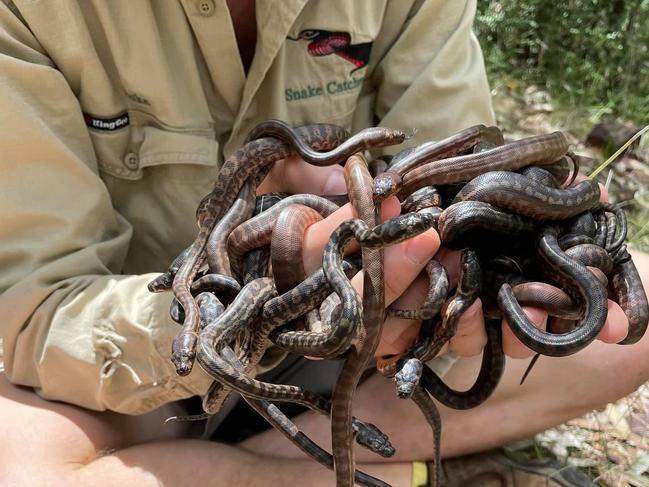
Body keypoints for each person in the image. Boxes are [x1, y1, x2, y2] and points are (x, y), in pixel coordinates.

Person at [0, 1, 647, 486]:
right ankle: (346, 460)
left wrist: (447, 291)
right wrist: (270, 293)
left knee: (635, 322)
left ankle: (280, 453)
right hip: (147, 354)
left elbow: (465, 175)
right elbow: (31, 306)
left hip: (359, 335)